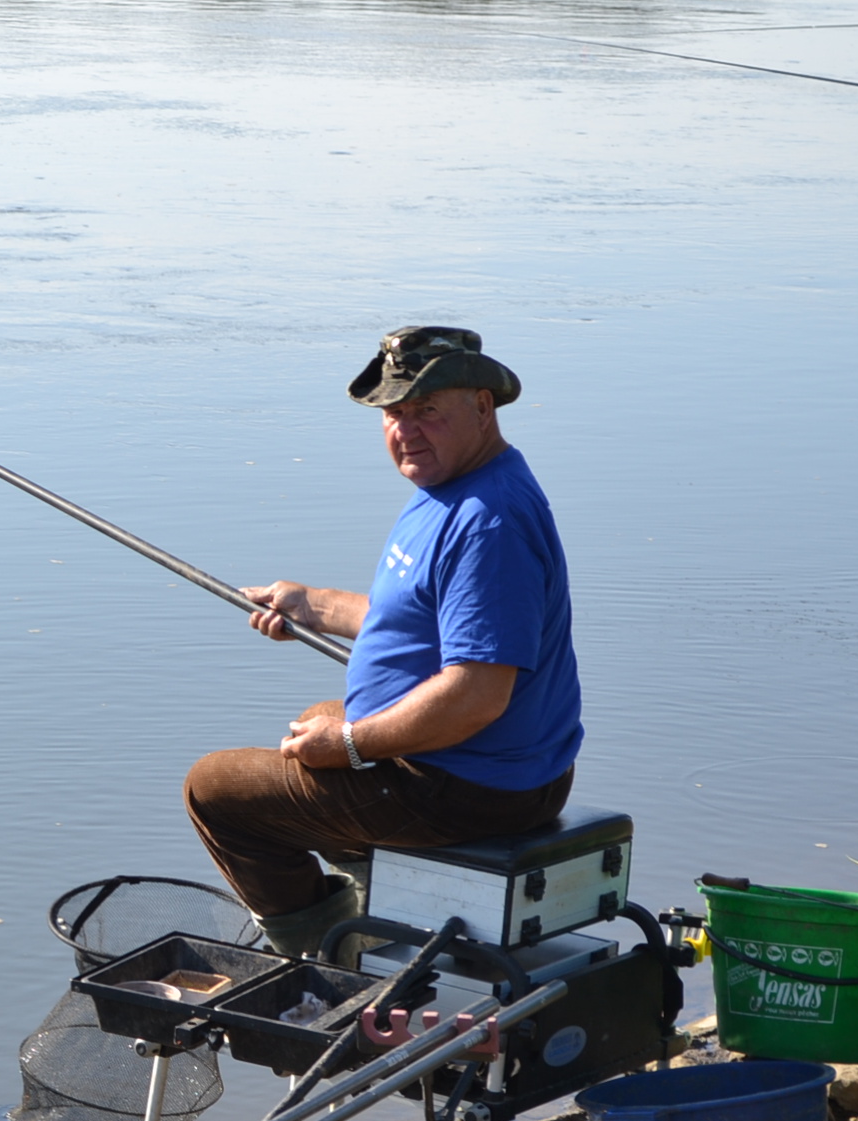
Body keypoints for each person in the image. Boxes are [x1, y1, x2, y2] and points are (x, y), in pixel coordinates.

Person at [184, 325, 582, 954]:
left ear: (482, 407)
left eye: (427, 410)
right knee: (317, 716)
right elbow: (419, 617)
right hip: (491, 768)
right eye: (394, 414)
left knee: (214, 790)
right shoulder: (457, 481)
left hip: (472, 789)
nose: (407, 431)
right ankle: (380, 900)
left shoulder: (488, 522)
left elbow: (477, 694)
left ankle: (323, 961)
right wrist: (310, 605)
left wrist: (350, 745)